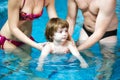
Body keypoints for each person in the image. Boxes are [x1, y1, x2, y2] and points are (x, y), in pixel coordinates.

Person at [66, 0, 118, 80]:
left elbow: (99, 32)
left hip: (107, 33)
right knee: (83, 53)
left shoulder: (108, 1)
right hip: (87, 29)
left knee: (108, 60)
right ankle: (95, 62)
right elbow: (70, 20)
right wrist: (66, 40)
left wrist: (77, 50)